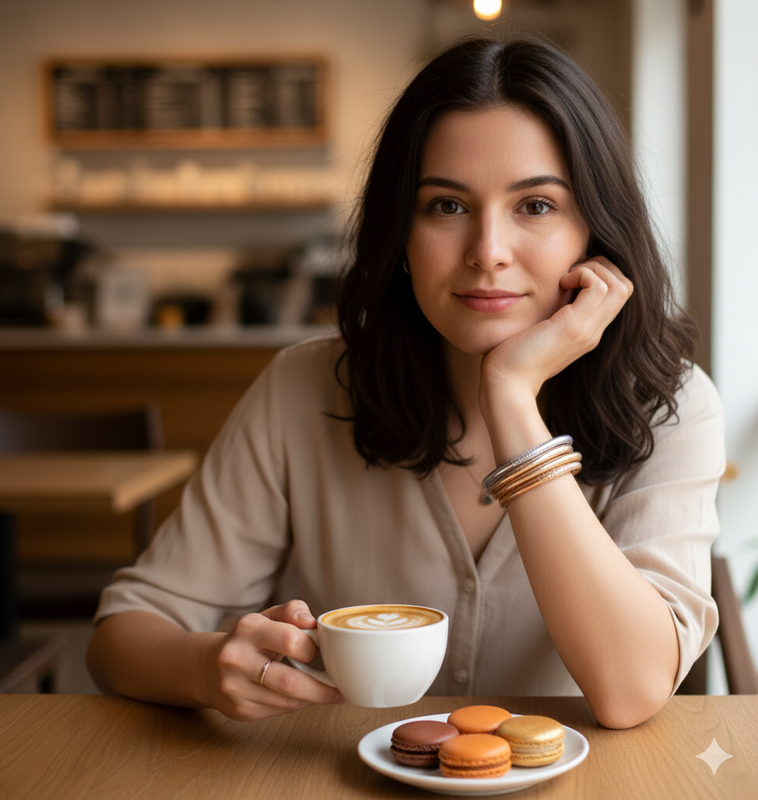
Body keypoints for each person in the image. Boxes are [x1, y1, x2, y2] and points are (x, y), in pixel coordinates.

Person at [87, 35, 725, 730]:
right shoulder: (303, 388)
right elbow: (121, 634)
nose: (488, 252)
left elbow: (631, 690)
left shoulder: (671, 405)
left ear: (595, 232)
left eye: (535, 206)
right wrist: (206, 668)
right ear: (401, 237)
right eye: (447, 207)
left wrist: (510, 396)